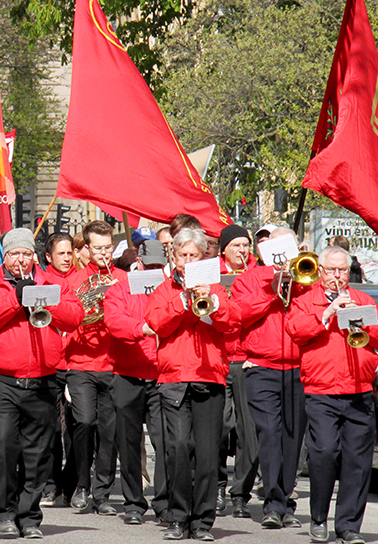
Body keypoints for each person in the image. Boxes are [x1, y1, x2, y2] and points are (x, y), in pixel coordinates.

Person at [0, 228, 83, 540]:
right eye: (14, 254)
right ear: (5, 257)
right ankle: (6, 513)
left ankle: (30, 516)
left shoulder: (51, 283)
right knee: (4, 447)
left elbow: (74, 316)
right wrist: (14, 298)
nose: (20, 259)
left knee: (38, 453)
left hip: (43, 380)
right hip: (2, 380)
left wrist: (41, 297)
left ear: (33, 256)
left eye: (25, 253)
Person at [285, 246, 378, 544]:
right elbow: (295, 329)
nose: (337, 275)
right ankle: (319, 516)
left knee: (357, 462)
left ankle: (348, 526)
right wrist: (327, 313)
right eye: (331, 270)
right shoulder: (306, 301)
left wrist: (362, 319)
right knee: (323, 454)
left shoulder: (363, 299)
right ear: (320, 271)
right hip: (322, 391)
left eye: (342, 270)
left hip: (359, 390)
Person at [145, 228, 242, 541]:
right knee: (177, 449)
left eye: (194, 256)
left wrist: (212, 302)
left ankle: (202, 522)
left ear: (203, 258)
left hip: (208, 376)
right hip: (174, 378)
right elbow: (156, 323)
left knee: (207, 454)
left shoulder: (216, 289)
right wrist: (182, 302)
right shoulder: (164, 290)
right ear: (173, 256)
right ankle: (178, 517)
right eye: (183, 255)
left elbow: (233, 323)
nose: (187, 261)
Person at [231, 226, 305, 530]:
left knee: (292, 438)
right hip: (261, 367)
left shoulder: (306, 277)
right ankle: (274, 503)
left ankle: (285, 501)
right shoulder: (249, 279)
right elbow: (239, 314)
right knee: (270, 433)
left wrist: (297, 283)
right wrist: (271, 290)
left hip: (299, 368)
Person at [103, 245, 166, 525]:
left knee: (166, 441)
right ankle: (133, 503)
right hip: (127, 374)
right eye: (149, 265)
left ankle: (164, 501)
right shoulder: (119, 289)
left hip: (161, 375)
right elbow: (114, 321)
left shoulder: (170, 288)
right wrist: (140, 329)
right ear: (138, 263)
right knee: (128, 443)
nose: (153, 271)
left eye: (158, 266)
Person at [65, 221, 123, 515]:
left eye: (108, 247)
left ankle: (102, 494)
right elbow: (65, 318)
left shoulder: (122, 279)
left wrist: (115, 296)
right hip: (81, 363)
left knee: (109, 431)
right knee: (85, 422)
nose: (104, 253)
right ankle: (82, 484)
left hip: (113, 363)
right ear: (86, 249)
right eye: (98, 248)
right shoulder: (74, 281)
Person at [216, 224, 257, 516]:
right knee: (218, 429)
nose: (242, 250)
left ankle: (241, 494)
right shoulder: (210, 273)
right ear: (224, 251)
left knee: (249, 434)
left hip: (247, 359)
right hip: (218, 359)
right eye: (236, 246)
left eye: (246, 245)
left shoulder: (260, 274)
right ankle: (216, 486)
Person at [38, 231, 77, 505]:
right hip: (51, 362)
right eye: (60, 253)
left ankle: (72, 481)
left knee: (77, 427)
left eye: (69, 252)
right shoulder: (41, 281)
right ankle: (51, 483)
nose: (66, 258)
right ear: (48, 257)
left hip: (77, 362)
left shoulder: (82, 279)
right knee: (50, 427)